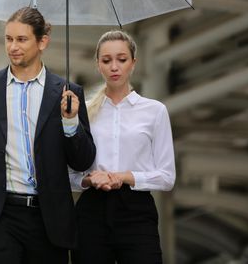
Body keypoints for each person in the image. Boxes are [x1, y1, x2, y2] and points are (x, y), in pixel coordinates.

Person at [0, 7, 96, 264]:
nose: (13, 46)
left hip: (49, 221)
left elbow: (82, 161)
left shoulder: (68, 93)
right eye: (9, 39)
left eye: (21, 39)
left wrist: (70, 123)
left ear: (42, 41)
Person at [70, 30, 176, 264]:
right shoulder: (82, 111)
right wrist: (89, 179)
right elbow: (68, 175)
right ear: (98, 65)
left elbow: (167, 177)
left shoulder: (154, 111)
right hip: (91, 211)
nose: (114, 67)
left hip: (136, 211)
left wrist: (125, 176)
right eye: (107, 61)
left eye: (122, 59)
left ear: (133, 63)